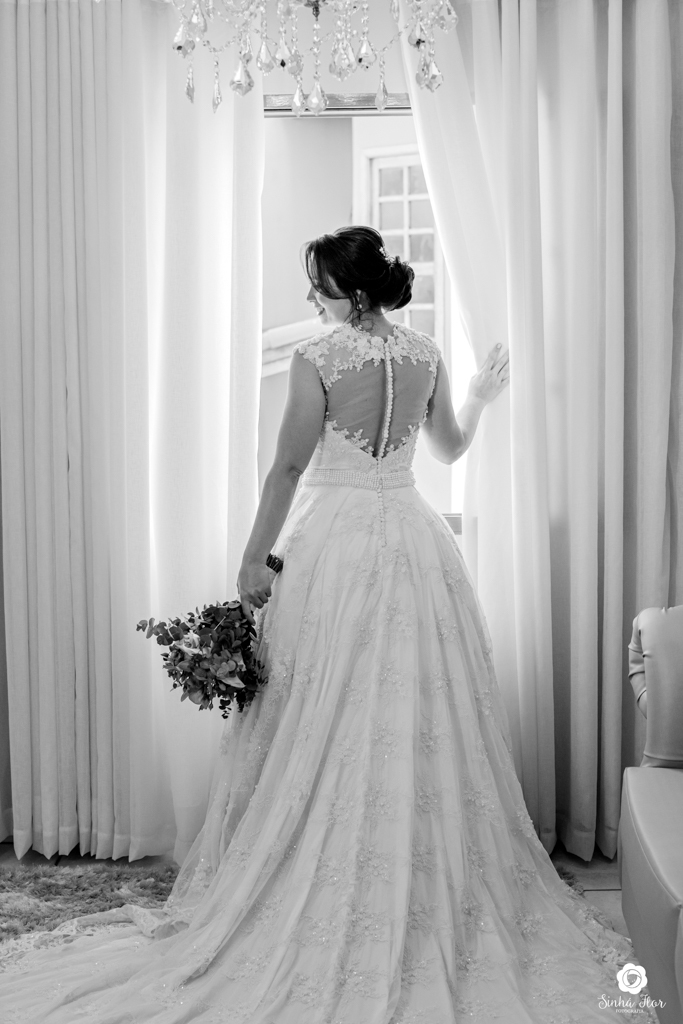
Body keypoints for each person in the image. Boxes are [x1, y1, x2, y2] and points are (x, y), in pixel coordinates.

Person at [0, 226, 655, 1024]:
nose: (310, 297)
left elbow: (286, 467)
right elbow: (448, 450)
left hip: (334, 547)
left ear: (354, 291)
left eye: (319, 285)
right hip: (414, 542)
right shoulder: (424, 352)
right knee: (414, 711)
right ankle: (413, 871)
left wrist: (252, 558)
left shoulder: (319, 358)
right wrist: (480, 396)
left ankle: (324, 868)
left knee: (319, 707)